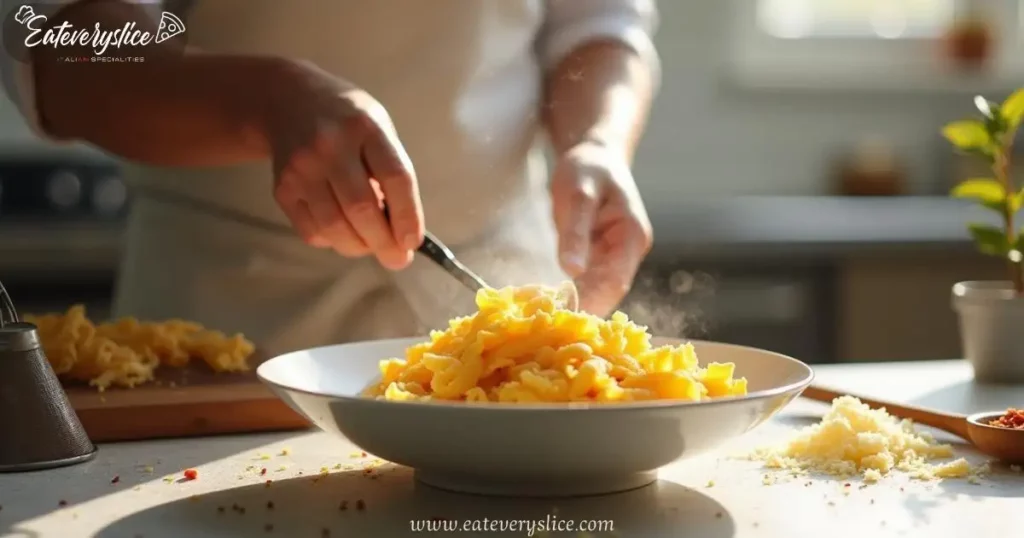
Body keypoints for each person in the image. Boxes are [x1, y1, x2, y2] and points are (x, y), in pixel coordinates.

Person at [1, 0, 659, 356]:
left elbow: (598, 25)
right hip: (224, 327)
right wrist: (266, 101)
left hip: (503, 280)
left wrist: (596, 141)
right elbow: (64, 50)